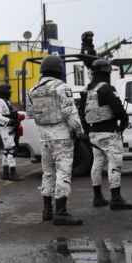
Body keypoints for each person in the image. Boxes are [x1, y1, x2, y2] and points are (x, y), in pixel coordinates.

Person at [27, 55, 85, 225]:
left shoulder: (33, 90)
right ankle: (61, 211)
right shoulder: (62, 87)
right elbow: (70, 112)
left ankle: (47, 210)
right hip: (62, 137)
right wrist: (79, 130)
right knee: (63, 173)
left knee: (48, 173)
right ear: (58, 70)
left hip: (44, 138)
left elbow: (31, 112)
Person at [80, 59, 132, 210]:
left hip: (93, 133)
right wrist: (124, 120)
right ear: (107, 72)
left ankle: (97, 197)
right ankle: (116, 199)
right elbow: (117, 108)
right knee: (115, 163)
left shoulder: (86, 90)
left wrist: (87, 131)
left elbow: (81, 112)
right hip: (109, 132)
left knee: (97, 163)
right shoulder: (106, 88)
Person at [0, 83, 23, 181]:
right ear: (4, 92)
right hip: (5, 128)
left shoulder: (6, 101)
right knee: (12, 149)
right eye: (9, 92)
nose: (10, 93)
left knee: (7, 150)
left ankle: (5, 173)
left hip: (9, 128)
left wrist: (17, 118)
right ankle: (12, 173)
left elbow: (11, 113)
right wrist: (10, 121)